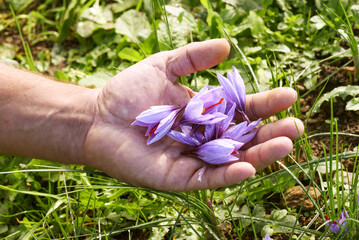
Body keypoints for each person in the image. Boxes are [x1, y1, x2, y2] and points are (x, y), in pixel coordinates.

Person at [0, 39, 304, 191]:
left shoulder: (187, 120)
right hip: (193, 132)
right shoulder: (180, 120)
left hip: (197, 133)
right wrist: (93, 120)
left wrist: (91, 117)